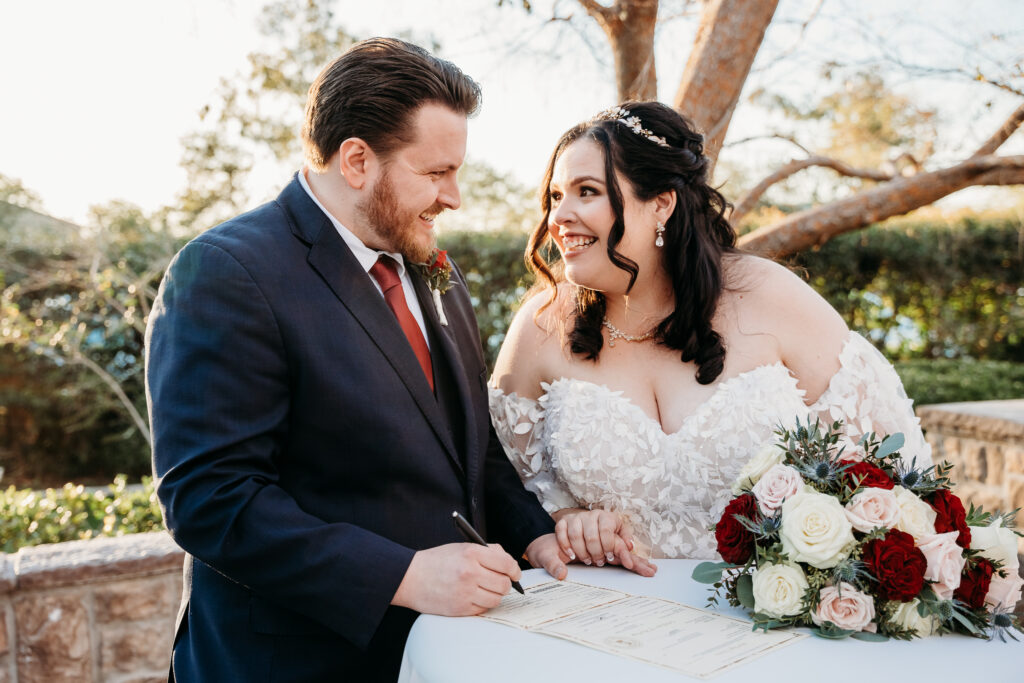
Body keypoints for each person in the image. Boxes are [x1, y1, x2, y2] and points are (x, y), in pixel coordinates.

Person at [146, 38, 570, 683]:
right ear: (356, 161)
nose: (454, 197)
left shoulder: (436, 269)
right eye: (435, 174)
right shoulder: (226, 272)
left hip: (440, 656)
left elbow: (469, 446)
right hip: (290, 661)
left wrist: (535, 534)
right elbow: (211, 498)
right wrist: (403, 575)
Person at [490, 101, 933, 566]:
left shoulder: (769, 296)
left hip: (764, 617)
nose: (560, 217)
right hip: (605, 613)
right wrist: (567, 518)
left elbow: (894, 478)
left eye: (587, 191)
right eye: (555, 197)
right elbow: (496, 483)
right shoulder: (542, 322)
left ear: (661, 202)